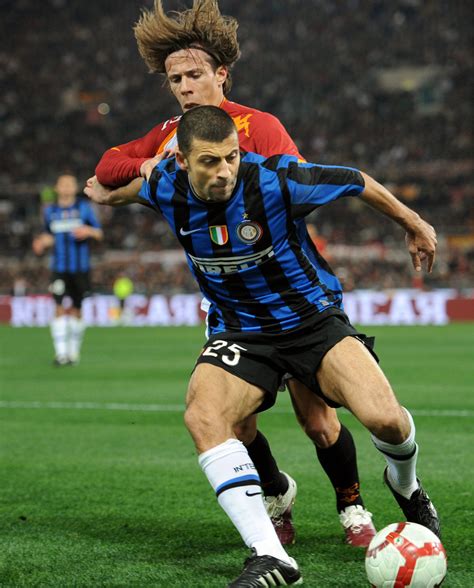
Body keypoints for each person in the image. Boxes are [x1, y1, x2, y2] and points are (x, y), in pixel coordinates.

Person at [85, 105, 440, 586]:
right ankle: (271, 555)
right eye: (210, 161)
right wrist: (106, 195)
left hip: (312, 321)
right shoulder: (164, 185)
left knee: (386, 420)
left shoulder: (276, 179)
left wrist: (413, 223)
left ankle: (407, 487)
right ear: (182, 162)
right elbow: (120, 186)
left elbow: (356, 180)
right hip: (242, 332)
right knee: (203, 415)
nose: (225, 171)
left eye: (231, 157)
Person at [92, 0, 375, 547]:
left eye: (194, 75)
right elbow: (106, 168)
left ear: (221, 74)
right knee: (238, 427)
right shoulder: (171, 135)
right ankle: (276, 493)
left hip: (287, 299)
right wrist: (145, 166)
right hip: (230, 308)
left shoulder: (259, 126)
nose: (184, 87)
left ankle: (352, 506)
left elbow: (296, 192)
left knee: (318, 422)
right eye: (175, 79)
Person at [33, 173, 103, 365]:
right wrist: (41, 242)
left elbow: (99, 233)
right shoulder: (50, 211)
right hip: (59, 267)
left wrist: (88, 231)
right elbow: (48, 235)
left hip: (80, 268)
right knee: (58, 306)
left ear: (75, 188)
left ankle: (73, 353)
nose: (65, 187)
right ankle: (61, 354)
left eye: (69, 184)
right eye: (62, 184)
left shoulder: (84, 208)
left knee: (76, 310)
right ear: (57, 188)